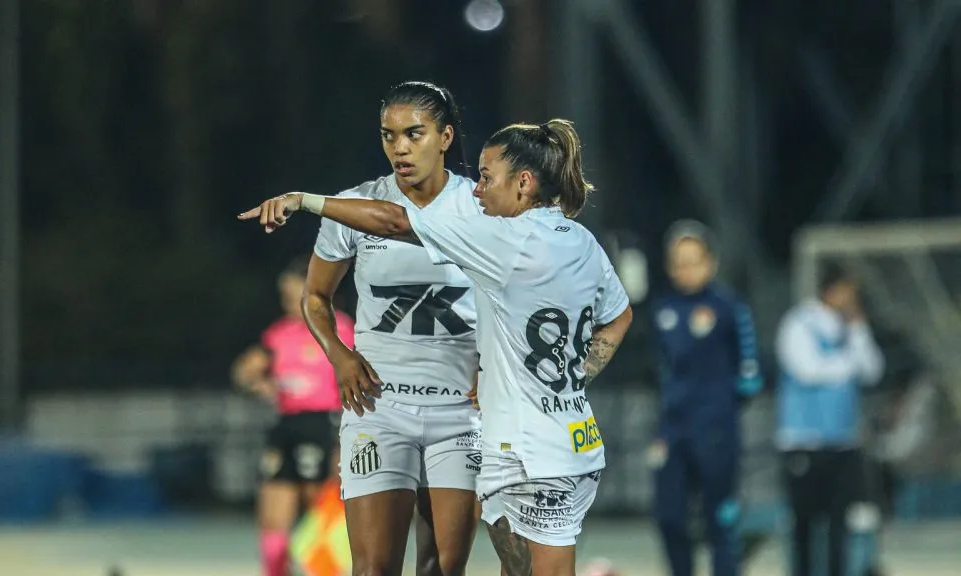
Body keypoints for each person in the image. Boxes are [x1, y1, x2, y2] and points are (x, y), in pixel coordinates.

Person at [239, 117, 635, 576]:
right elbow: (619, 316)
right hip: (575, 436)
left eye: (487, 178)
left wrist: (304, 200)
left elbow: (394, 220)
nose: (478, 190)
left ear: (524, 183)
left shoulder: (504, 240)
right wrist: (573, 375)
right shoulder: (581, 240)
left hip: (527, 449)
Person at [259, 81, 486, 576]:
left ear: (445, 137)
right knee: (373, 568)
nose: (399, 147)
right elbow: (315, 297)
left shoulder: (480, 207)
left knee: (442, 569)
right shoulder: (353, 206)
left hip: (460, 412)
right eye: (388, 135)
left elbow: (509, 297)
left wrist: (492, 364)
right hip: (379, 409)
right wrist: (338, 355)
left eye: (414, 134)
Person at [647, 220, 763, 576]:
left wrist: (719, 411)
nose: (686, 270)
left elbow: (751, 375)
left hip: (716, 430)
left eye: (693, 261)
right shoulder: (662, 310)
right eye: (679, 262)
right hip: (673, 431)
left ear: (710, 263)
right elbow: (661, 372)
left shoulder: (729, 307)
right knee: (669, 517)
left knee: (721, 520)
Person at [231, 254, 354, 576]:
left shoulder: (340, 328)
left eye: (291, 294)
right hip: (285, 426)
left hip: (323, 426)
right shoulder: (279, 333)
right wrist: (256, 383)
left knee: (321, 519)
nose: (286, 302)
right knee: (273, 523)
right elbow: (244, 370)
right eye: (283, 296)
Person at [774, 264, 885, 576]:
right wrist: (849, 363)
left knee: (841, 521)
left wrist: (859, 330)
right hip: (803, 441)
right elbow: (808, 370)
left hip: (842, 440)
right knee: (805, 521)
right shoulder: (799, 323)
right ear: (830, 290)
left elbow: (872, 370)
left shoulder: (850, 328)